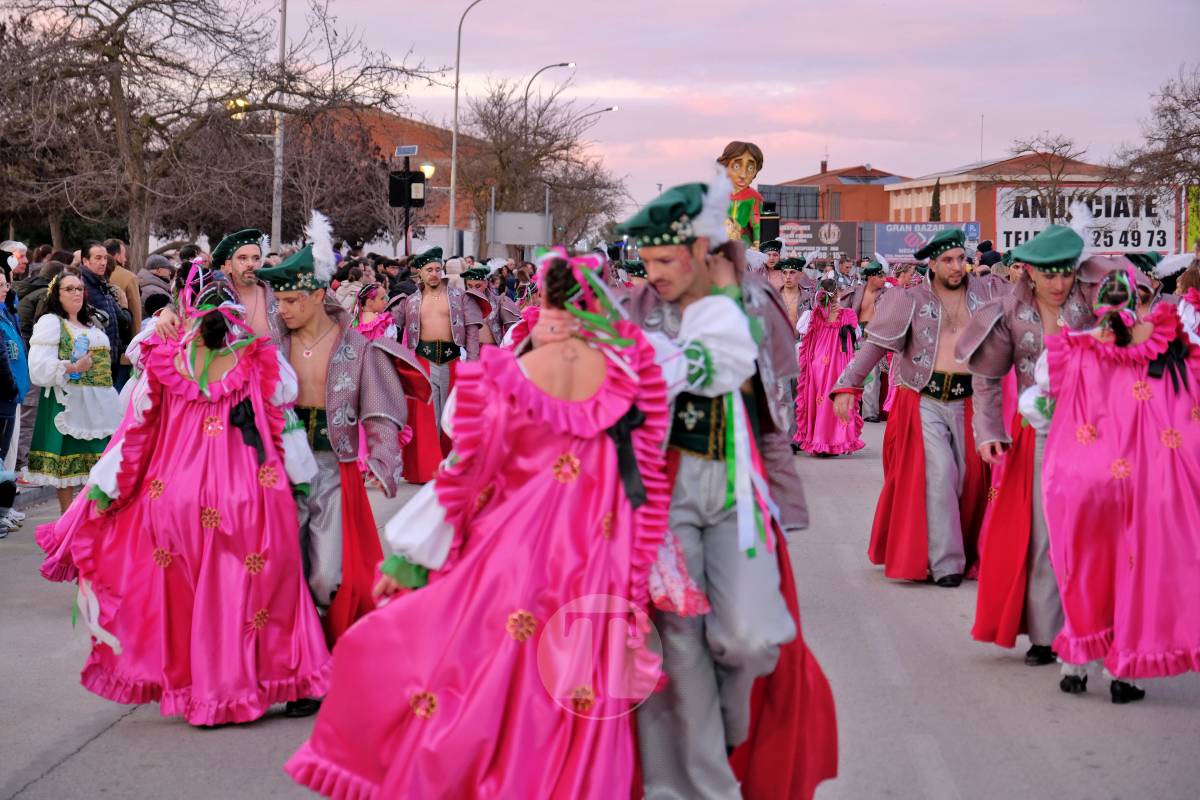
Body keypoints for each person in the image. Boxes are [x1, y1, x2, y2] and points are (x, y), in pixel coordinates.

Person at [287, 252, 681, 798]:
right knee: (582, 692)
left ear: (541, 299)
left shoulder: (509, 372)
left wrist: (409, 557)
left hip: (515, 552)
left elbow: (463, 474)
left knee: (496, 681)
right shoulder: (629, 376)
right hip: (597, 557)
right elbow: (648, 477)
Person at [618, 181, 835, 800]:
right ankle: (695, 789)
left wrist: (787, 495)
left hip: (735, 488)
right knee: (677, 652)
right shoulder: (634, 307)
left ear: (702, 250)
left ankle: (725, 734)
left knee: (748, 640)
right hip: (663, 492)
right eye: (648, 261)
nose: (653, 273)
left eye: (667, 260)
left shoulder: (754, 304)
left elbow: (774, 405)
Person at [36, 276, 330, 725]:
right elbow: (285, 428)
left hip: (175, 501)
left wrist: (104, 492)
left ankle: (204, 691)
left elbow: (133, 435)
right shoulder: (260, 359)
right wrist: (303, 483)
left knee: (193, 600)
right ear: (234, 316)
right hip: (248, 496)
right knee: (251, 594)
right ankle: (252, 686)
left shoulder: (164, 363)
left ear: (189, 315)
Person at [1020, 269, 1200, 703]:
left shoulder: (1071, 349)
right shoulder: (1173, 349)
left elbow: (1036, 406)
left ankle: (1075, 666)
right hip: (1149, 483)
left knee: (1084, 571)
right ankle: (1126, 673)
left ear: (1097, 304)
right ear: (1142, 301)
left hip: (1084, 483)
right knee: (1135, 574)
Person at [256, 211, 416, 646]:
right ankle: (301, 664)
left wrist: (382, 458)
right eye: (279, 301)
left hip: (332, 466)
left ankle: (327, 643)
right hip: (280, 469)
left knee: (327, 574)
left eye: (291, 301)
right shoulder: (271, 346)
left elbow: (381, 407)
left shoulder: (359, 348)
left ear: (317, 294)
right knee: (282, 570)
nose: (282, 309)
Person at [957, 224, 1096, 666]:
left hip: (1094, 436)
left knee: (1092, 535)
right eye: (1049, 274)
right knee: (1042, 535)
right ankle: (1044, 633)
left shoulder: (1093, 308)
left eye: (1066, 274)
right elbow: (987, 380)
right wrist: (989, 432)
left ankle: (1094, 628)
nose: (1059, 284)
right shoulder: (1007, 313)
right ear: (1030, 272)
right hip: (1036, 437)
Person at [832, 228, 997, 587]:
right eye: (948, 261)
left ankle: (967, 551)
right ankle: (945, 563)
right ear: (933, 265)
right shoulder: (908, 300)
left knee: (970, 478)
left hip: (971, 401)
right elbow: (875, 347)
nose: (957, 267)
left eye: (961, 260)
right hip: (925, 399)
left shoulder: (985, 294)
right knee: (939, 476)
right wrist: (847, 384)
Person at [389, 247, 489, 484]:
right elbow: (391, 326)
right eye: (429, 270)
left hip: (453, 359)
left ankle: (454, 464)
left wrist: (473, 364)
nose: (434, 273)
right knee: (427, 418)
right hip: (423, 360)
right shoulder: (410, 301)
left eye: (437, 269)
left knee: (453, 415)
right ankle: (428, 468)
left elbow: (473, 331)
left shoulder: (460, 297)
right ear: (420, 274)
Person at [26, 268, 123, 512]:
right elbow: (37, 368)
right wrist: (73, 366)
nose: (76, 293)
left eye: (79, 288)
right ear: (56, 295)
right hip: (68, 404)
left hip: (101, 405)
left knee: (103, 467)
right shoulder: (51, 323)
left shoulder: (91, 323)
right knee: (66, 469)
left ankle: (92, 521)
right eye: (69, 289)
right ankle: (67, 521)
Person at [795, 275, 864, 457]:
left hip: (818, 363)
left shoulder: (812, 315)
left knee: (821, 400)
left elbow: (802, 335)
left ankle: (820, 440)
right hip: (838, 364)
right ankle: (832, 441)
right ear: (838, 294)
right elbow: (856, 337)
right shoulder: (846, 315)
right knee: (833, 399)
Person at [841, 258, 891, 422]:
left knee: (873, 374)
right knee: (851, 372)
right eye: (880, 276)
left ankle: (869, 413)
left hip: (875, 336)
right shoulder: (856, 291)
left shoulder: (886, 293)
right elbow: (842, 310)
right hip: (856, 335)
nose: (884, 279)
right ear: (871, 277)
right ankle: (848, 410)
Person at [0, 270, 29, 536]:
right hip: (5, 394)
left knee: (7, 458)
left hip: (13, 393)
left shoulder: (7, 311)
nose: (4, 289)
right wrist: (11, 387)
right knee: (3, 457)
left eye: (5, 284)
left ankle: (5, 509)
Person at [78, 242, 125, 375]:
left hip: (110, 357)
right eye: (98, 258)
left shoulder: (100, 283)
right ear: (86, 261)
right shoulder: (81, 285)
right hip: (94, 361)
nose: (104, 262)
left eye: (105, 258)